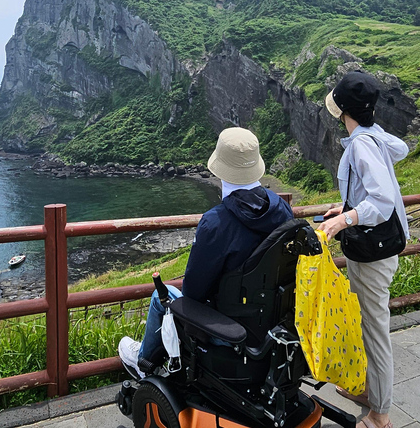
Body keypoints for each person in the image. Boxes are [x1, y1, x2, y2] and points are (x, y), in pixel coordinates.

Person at [118, 127, 294, 379]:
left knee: (161, 298)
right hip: (272, 323)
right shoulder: (282, 210)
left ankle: (142, 362)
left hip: (229, 329)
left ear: (219, 169)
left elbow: (193, 293)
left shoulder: (216, 222)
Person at [318, 70, 409, 428]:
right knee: (367, 323)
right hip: (377, 251)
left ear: (343, 110)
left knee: (375, 332)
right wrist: (346, 205)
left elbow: (383, 200)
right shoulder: (373, 138)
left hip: (373, 256)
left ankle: (380, 417)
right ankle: (369, 392)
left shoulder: (361, 145)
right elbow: (400, 150)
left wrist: (344, 218)